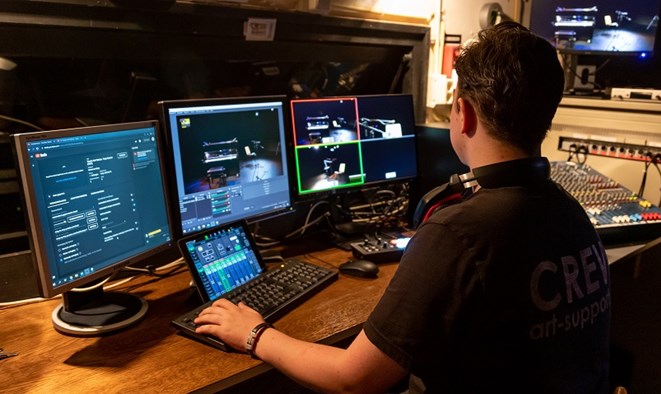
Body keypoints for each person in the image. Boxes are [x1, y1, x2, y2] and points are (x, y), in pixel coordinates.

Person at [194, 21, 611, 393]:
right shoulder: (571, 214)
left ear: (462, 114)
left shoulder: (460, 232)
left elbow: (351, 378)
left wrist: (254, 334)